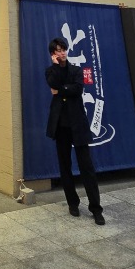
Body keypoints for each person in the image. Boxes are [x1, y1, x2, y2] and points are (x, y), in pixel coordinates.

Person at [45, 37, 105, 225]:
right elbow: (53, 84)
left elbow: (77, 89)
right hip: (60, 124)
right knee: (65, 166)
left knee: (86, 166)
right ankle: (73, 203)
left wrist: (61, 90)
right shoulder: (50, 71)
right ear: (52, 54)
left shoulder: (77, 70)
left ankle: (96, 209)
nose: (61, 53)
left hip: (77, 123)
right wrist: (57, 71)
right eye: (57, 50)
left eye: (63, 49)